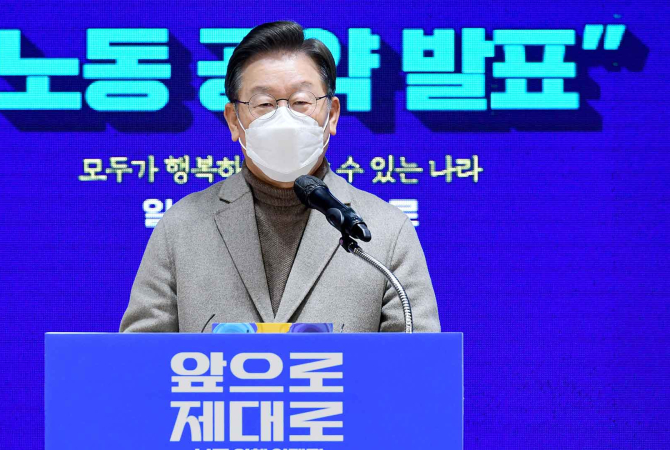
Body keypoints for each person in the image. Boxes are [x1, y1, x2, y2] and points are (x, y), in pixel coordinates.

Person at [120, 20, 440, 333]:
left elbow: (419, 361)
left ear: (331, 114)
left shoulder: (385, 231)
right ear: (233, 120)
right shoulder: (181, 227)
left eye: (301, 102)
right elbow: (137, 358)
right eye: (264, 103)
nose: (284, 119)